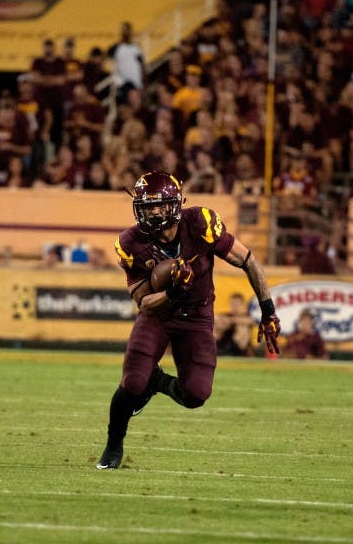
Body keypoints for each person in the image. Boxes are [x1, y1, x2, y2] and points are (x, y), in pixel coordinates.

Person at [96, 172, 280, 469]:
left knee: (196, 394)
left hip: (197, 317)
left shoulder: (200, 224)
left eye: (160, 205)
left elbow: (248, 261)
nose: (154, 212)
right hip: (158, 316)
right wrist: (172, 292)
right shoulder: (131, 242)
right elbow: (144, 301)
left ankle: (157, 382)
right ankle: (113, 447)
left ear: (176, 204)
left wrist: (268, 310)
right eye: (148, 206)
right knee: (131, 383)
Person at [107, 21, 144, 106]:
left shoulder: (136, 48)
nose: (125, 32)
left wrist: (143, 83)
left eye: (127, 30)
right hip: (122, 84)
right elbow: (105, 58)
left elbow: (142, 65)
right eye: (123, 30)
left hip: (136, 84)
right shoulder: (116, 48)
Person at [213, 292, 255, 357]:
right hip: (225, 343)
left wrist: (230, 321)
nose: (234, 307)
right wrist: (223, 322)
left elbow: (252, 321)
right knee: (217, 325)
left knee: (243, 327)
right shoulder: (227, 315)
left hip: (240, 347)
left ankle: (235, 351)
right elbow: (214, 318)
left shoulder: (247, 315)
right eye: (232, 304)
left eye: (237, 304)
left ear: (242, 305)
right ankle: (217, 349)